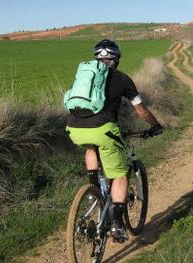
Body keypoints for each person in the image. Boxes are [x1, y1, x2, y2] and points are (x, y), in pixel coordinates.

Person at [66, 39, 164, 241]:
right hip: (103, 129)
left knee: (91, 146)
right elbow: (141, 110)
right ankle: (118, 225)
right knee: (119, 175)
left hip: (74, 128)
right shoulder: (122, 79)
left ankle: (94, 189)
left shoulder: (84, 78)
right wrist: (155, 125)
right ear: (116, 59)